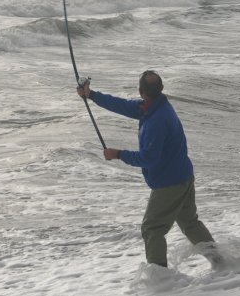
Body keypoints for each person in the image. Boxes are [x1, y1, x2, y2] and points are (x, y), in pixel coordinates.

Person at [77, 70, 217, 268]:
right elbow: (122, 105)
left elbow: (148, 159)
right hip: (183, 176)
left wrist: (117, 154)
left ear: (141, 91)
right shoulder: (154, 106)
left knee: (152, 229)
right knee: (190, 223)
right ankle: (220, 261)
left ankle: (160, 279)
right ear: (159, 90)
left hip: (170, 183)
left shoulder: (157, 120)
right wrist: (91, 95)